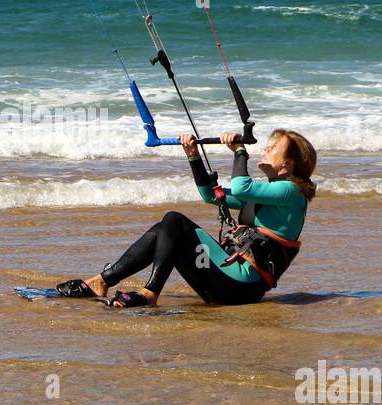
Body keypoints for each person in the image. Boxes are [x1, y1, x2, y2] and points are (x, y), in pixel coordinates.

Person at [56, 128, 317, 307]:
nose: (267, 148)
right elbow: (211, 196)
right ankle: (101, 281)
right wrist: (193, 156)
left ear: (289, 164)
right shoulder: (271, 193)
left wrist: (239, 152)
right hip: (227, 284)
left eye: (274, 148)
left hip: (240, 287)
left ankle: (149, 293)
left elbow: (240, 187)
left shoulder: (292, 191)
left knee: (175, 220)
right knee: (165, 230)